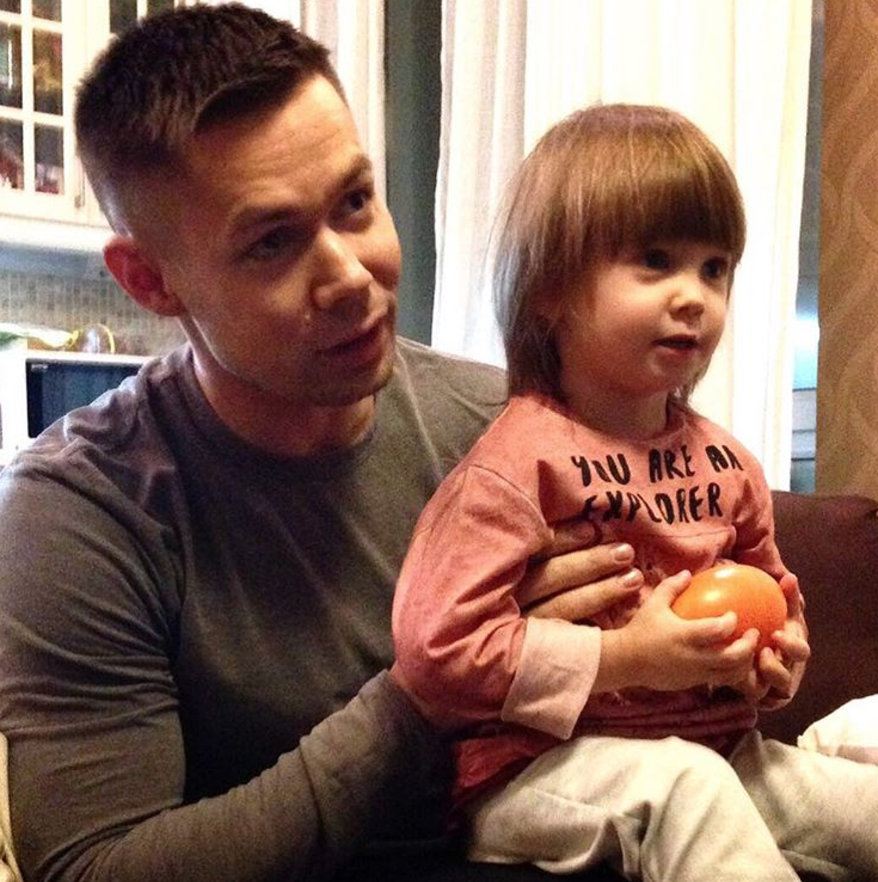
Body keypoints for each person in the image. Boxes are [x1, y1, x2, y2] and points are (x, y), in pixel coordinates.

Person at [0, 6, 639, 882]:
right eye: (272, 243)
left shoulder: (511, 425)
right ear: (149, 279)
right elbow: (94, 869)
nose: (350, 274)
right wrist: (427, 691)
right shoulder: (80, 512)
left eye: (355, 203)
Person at [391, 104, 878, 881]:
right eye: (656, 261)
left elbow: (775, 593)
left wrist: (777, 656)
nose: (695, 296)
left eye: (714, 268)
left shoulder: (727, 465)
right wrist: (623, 657)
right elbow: (436, 654)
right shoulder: (515, 468)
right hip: (534, 770)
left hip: (717, 749)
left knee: (858, 805)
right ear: (550, 289)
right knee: (688, 788)